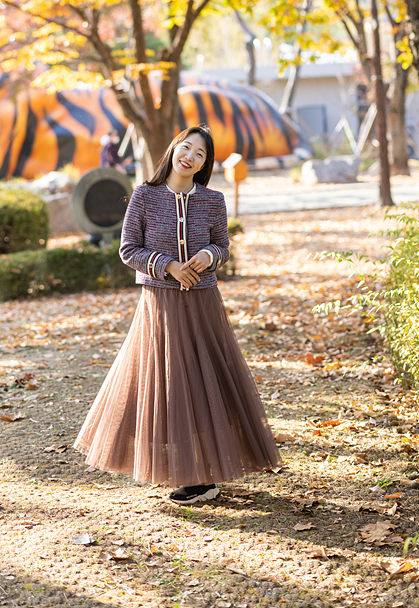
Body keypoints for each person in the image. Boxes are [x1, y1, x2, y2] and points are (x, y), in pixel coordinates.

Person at [74, 125, 281, 504]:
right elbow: (128, 249)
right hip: (161, 303)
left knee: (206, 382)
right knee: (170, 385)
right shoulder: (144, 196)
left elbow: (223, 246)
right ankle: (190, 471)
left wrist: (208, 257)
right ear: (173, 149)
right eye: (186, 148)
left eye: (200, 154)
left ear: (205, 163)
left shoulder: (212, 200)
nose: (190, 157)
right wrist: (168, 265)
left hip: (203, 304)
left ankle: (205, 475)